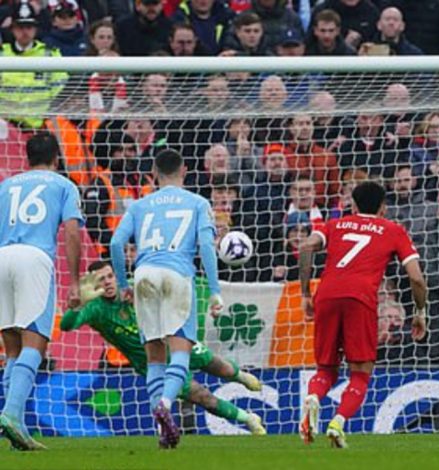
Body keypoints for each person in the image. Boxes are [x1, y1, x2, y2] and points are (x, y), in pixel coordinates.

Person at [61, 261, 267, 434]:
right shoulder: (95, 308)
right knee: (203, 397)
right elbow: (66, 326)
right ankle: (249, 419)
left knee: (220, 367)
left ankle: (240, 376)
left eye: (109, 276)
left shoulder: (135, 288)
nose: (107, 283)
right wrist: (76, 306)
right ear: (93, 286)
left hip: (174, 342)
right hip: (153, 362)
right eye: (100, 280)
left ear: (117, 276)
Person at [298, 181, 427, 448]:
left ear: (353, 205)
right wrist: (420, 311)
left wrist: (305, 294)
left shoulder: (334, 225)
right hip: (361, 300)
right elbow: (416, 278)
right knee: (360, 373)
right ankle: (337, 422)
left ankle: (313, 398)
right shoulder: (393, 230)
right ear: (383, 207)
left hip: (327, 295)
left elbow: (306, 247)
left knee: (326, 370)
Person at [109, 149, 224, 449]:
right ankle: (165, 403)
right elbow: (206, 247)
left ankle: (161, 431)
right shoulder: (198, 202)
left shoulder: (139, 205)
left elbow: (116, 242)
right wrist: (214, 291)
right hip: (178, 274)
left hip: (144, 273)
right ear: (184, 170)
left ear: (154, 173)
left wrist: (124, 283)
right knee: (181, 352)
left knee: (154, 357)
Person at [0, 132, 83, 451]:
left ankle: (16, 432)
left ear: (27, 158)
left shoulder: (7, 186)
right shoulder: (63, 185)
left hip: (3, 256)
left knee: (12, 350)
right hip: (34, 259)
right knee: (36, 343)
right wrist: (74, 282)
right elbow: (72, 233)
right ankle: (9, 414)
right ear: (57, 159)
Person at [0, 1, 68, 130]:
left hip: (41, 127)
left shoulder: (50, 55)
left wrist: (46, 121)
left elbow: (60, 91)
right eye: (20, 27)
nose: (24, 32)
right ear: (12, 29)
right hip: (5, 129)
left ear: (35, 29)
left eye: (29, 27)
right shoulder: (2, 55)